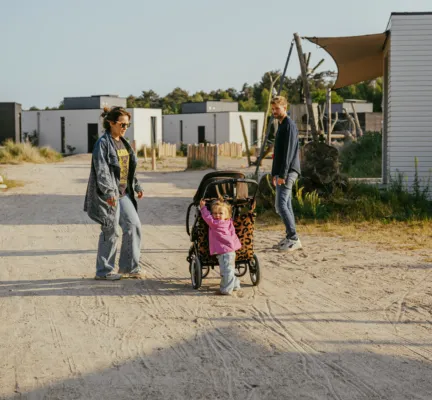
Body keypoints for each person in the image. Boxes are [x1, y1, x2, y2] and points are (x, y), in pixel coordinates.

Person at [84, 106, 144, 280]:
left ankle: (130, 268)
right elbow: (101, 170)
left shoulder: (124, 143)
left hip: (124, 193)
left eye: (127, 125)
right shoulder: (102, 143)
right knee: (111, 231)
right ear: (111, 123)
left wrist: (137, 186)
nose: (125, 128)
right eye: (122, 124)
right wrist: (109, 192)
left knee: (133, 225)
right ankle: (104, 271)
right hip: (108, 195)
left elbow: (129, 169)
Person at [270, 96, 302, 252]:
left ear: (284, 107)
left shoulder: (289, 125)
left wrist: (282, 175)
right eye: (273, 109)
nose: (274, 111)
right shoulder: (281, 126)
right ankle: (290, 237)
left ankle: (294, 238)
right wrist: (273, 174)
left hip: (288, 171)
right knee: (286, 204)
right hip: (283, 172)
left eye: (277, 108)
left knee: (280, 205)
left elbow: (288, 153)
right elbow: (279, 154)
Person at [199, 199, 241, 295]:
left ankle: (226, 289)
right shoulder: (229, 222)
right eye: (214, 213)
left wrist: (203, 208)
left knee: (226, 271)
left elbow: (206, 217)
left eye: (220, 213)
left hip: (224, 251)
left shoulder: (215, 224)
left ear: (227, 215)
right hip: (231, 250)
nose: (217, 215)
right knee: (229, 269)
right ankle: (235, 285)